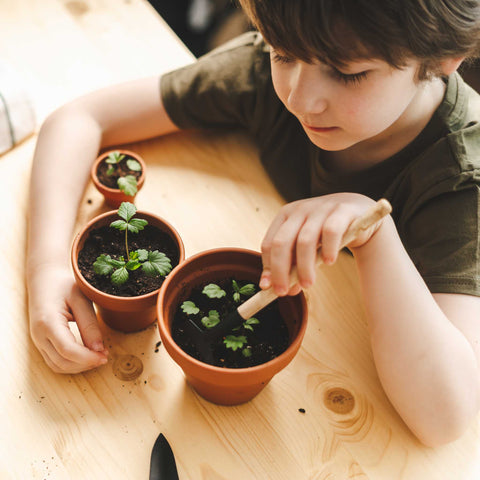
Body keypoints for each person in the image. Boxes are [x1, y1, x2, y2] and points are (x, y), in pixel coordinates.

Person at [27, 0, 480, 446]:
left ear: (442, 58)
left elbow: (443, 418)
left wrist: (374, 232)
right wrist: (47, 266)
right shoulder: (269, 67)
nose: (300, 99)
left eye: (347, 72)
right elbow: (79, 118)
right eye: (282, 54)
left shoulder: (461, 176)